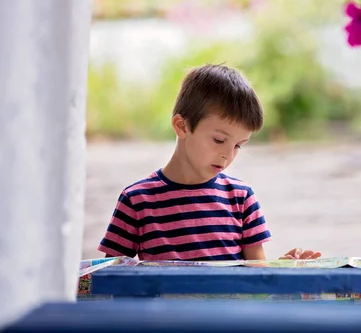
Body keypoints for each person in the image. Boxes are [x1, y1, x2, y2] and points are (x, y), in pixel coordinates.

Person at [98, 64, 321, 261]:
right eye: (219, 140)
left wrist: (284, 268)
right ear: (182, 126)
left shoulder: (241, 198)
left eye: (238, 145)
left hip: (228, 310)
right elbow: (112, 278)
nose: (228, 155)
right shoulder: (137, 201)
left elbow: (257, 275)